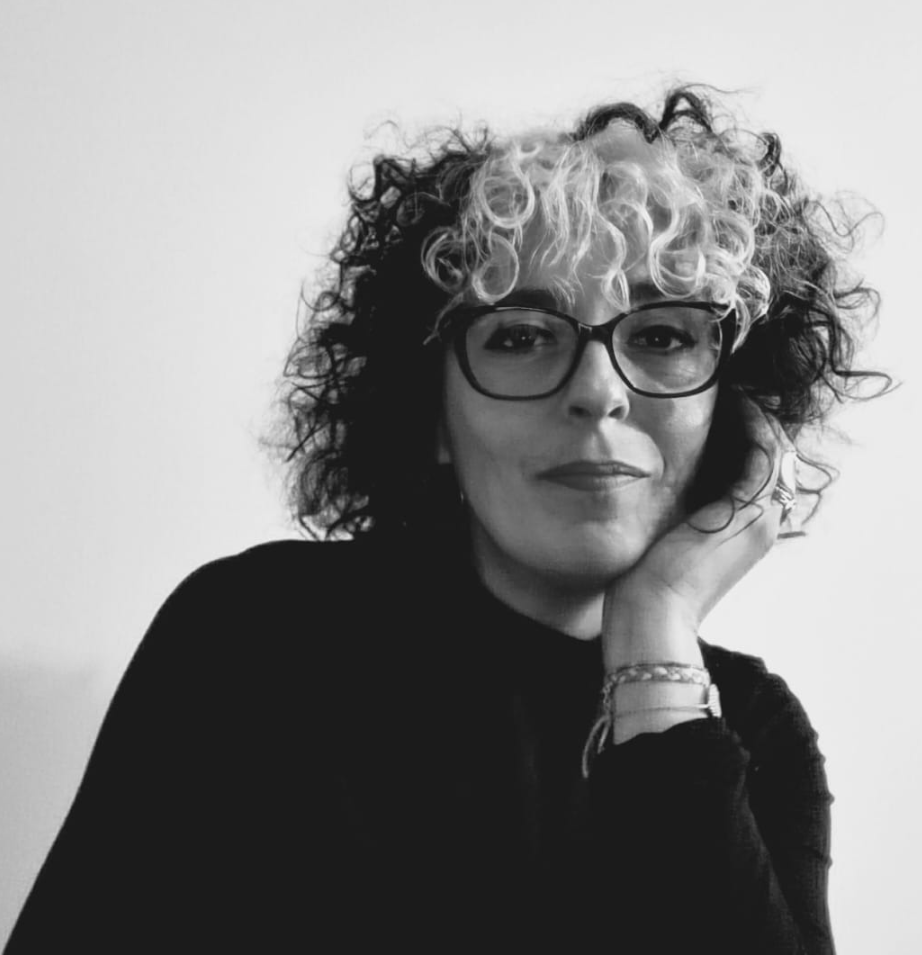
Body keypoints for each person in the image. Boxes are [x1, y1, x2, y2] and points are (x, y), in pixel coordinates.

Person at [6, 87, 888, 954]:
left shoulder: (752, 728)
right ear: (429, 411)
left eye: (661, 336)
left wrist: (655, 637)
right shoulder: (257, 635)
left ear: (729, 406)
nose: (597, 390)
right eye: (518, 334)